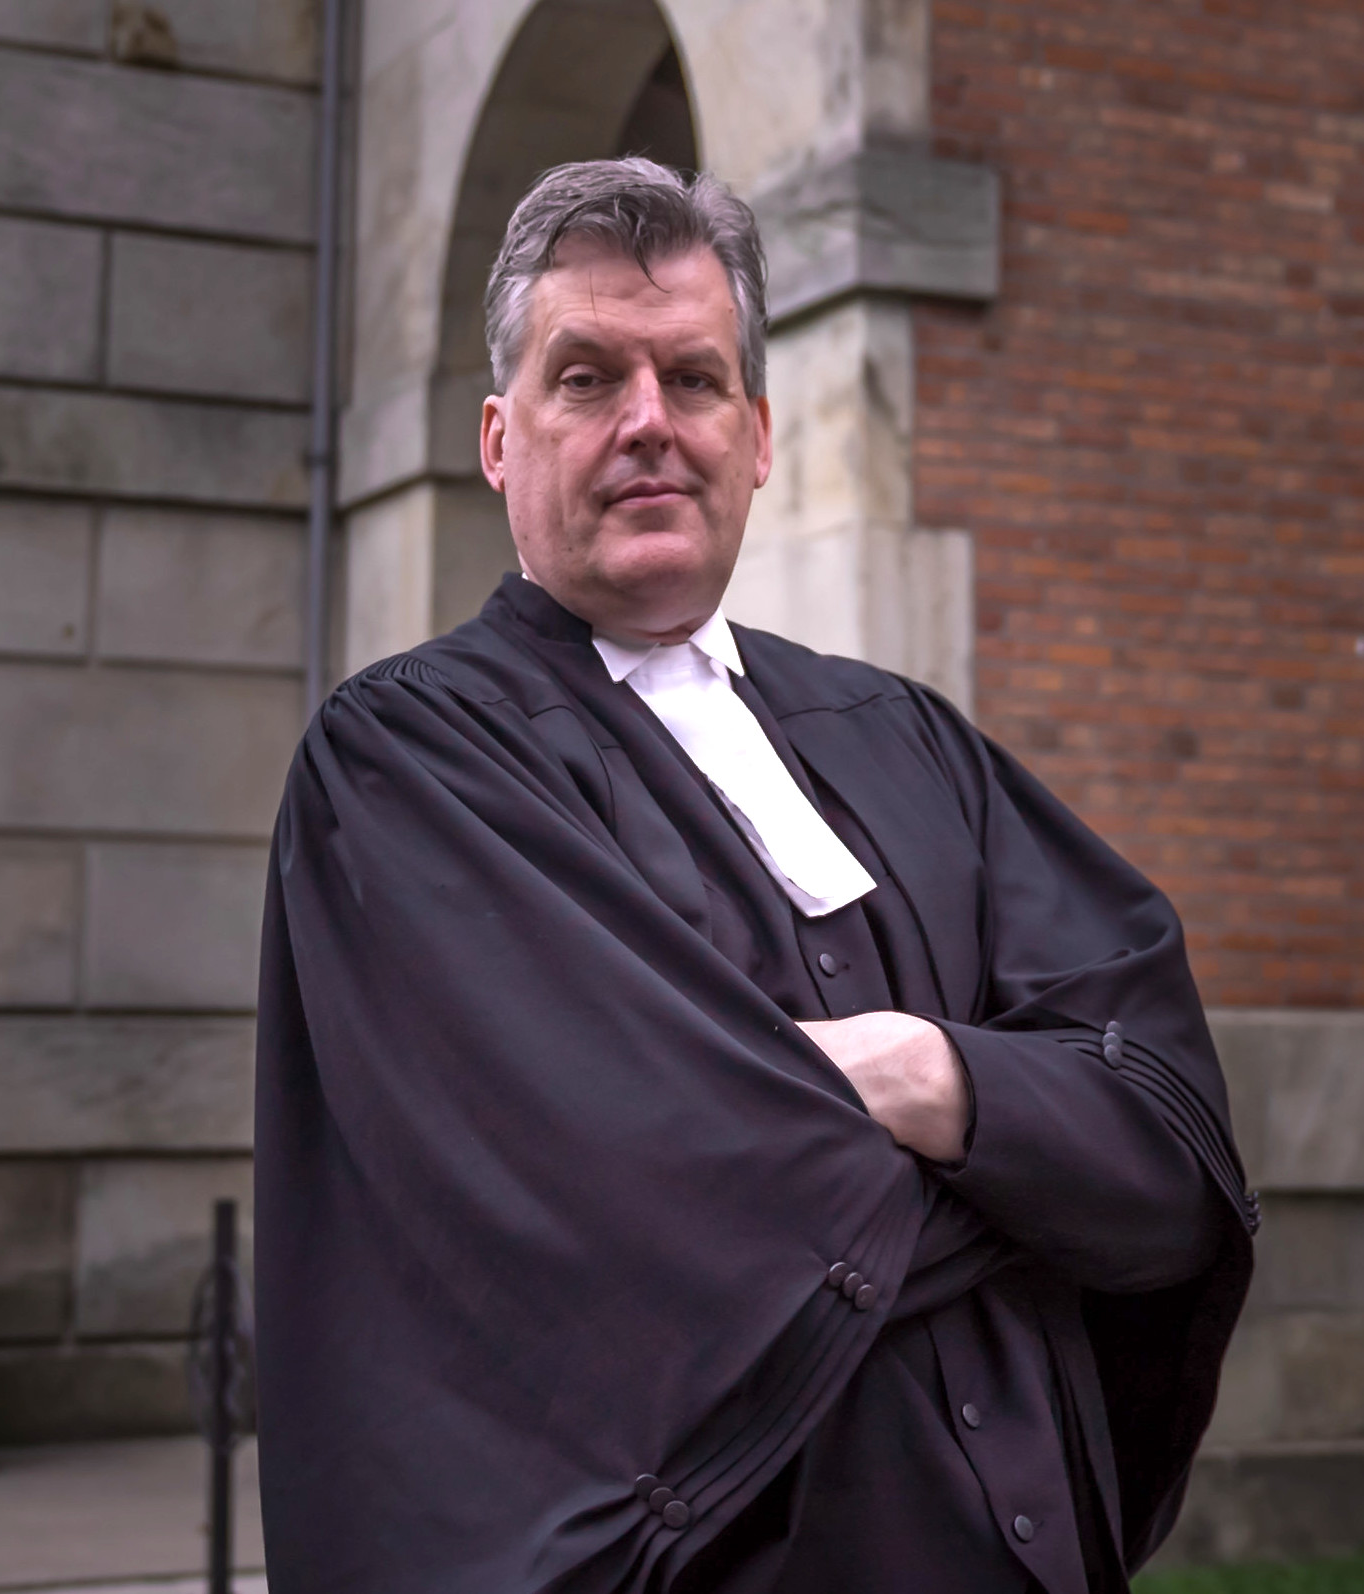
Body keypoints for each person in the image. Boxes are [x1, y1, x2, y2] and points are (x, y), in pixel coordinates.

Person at [254, 157, 1256, 1594]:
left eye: (695, 379)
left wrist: (922, 1072)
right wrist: (1031, 1178)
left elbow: (1169, 1157)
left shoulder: (904, 737)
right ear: (498, 439)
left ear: (760, 433)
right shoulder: (406, 763)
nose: (648, 422)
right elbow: (627, 1202)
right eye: (586, 378)